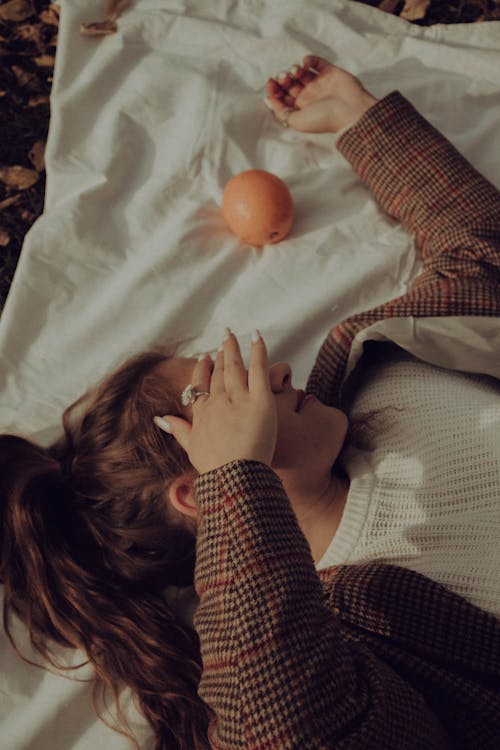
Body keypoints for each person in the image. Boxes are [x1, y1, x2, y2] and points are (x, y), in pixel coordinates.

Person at [1, 53, 499, 750]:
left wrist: (358, 120)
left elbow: (481, 253)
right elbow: (290, 734)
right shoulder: (352, 630)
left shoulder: (375, 364)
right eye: (230, 390)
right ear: (200, 493)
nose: (280, 368)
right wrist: (239, 476)